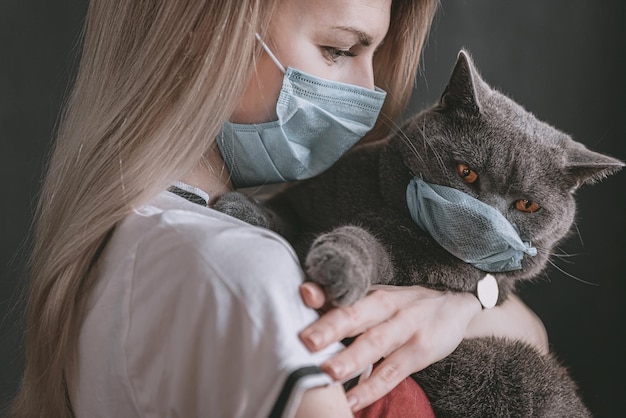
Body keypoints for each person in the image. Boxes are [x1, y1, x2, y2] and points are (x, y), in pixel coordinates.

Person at [9, 0, 548, 417]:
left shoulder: (135, 235)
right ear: (206, 30)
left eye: (373, 56)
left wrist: (458, 308)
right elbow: (533, 340)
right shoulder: (242, 267)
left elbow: (530, 333)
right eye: (338, 50)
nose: (370, 91)